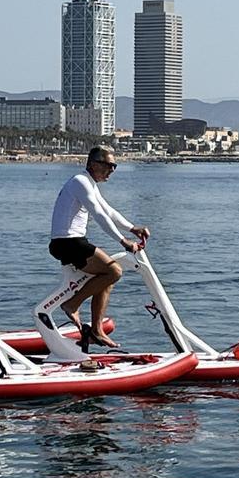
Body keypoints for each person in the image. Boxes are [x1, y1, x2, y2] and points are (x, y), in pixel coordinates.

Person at [48, 146, 149, 348]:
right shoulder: (80, 182)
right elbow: (98, 214)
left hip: (73, 242)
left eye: (115, 166)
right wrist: (123, 241)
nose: (112, 170)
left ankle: (96, 331)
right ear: (93, 164)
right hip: (67, 243)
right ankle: (71, 304)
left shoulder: (90, 184)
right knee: (114, 270)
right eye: (109, 165)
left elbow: (108, 210)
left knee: (107, 278)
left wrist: (132, 228)